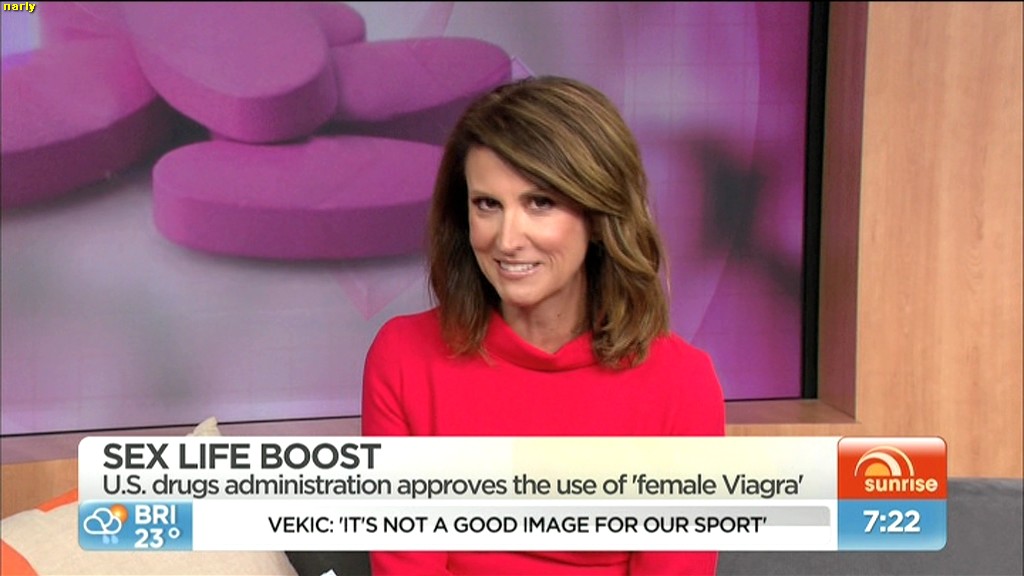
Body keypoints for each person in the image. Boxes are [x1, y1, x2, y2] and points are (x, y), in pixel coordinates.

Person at [362, 75, 726, 575]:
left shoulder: (681, 382)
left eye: (540, 203)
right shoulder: (404, 355)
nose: (508, 239)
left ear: (599, 217)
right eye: (488, 204)